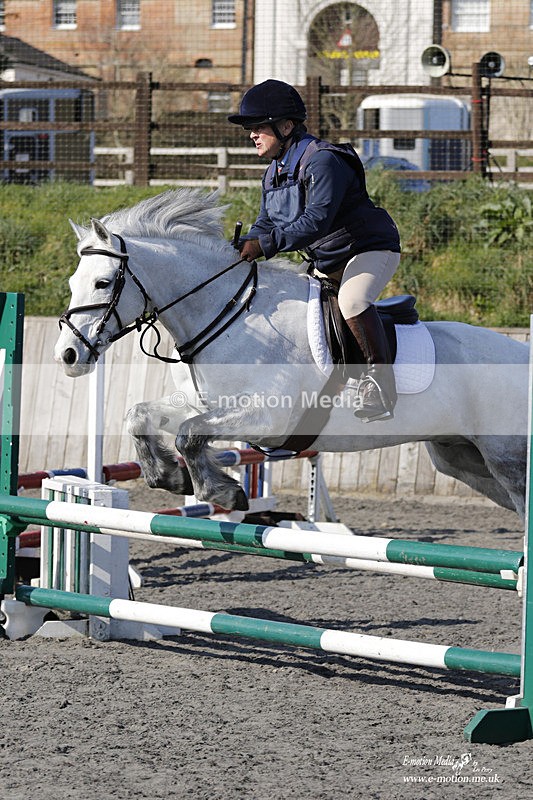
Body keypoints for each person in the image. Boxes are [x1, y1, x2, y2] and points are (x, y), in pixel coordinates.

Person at [228, 79, 401, 422]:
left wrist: (263, 246)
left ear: (286, 126)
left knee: (352, 301)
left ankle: (379, 385)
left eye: (259, 127)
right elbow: (266, 222)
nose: (252, 135)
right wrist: (239, 248)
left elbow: (315, 222)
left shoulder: (323, 161)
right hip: (327, 258)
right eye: (251, 129)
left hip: (367, 250)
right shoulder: (273, 172)